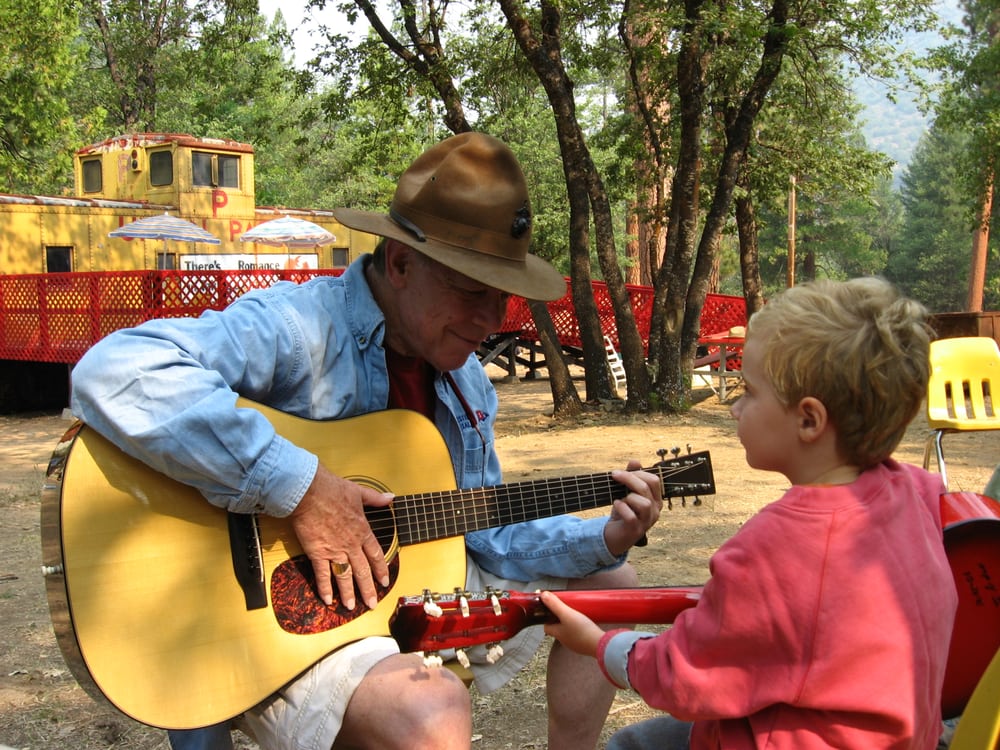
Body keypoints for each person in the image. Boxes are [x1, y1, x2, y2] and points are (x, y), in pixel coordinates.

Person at [70, 132, 663, 750]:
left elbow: (479, 529)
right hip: (279, 618)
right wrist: (300, 489)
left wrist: (603, 535)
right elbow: (116, 369)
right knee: (430, 710)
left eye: (502, 297)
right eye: (471, 291)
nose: (493, 321)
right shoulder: (299, 329)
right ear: (401, 264)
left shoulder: (465, 381)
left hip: (398, 591)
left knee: (612, 585)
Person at [540, 277, 959, 749]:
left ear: (808, 420)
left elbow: (682, 676)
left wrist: (596, 643)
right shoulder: (921, 494)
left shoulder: (776, 548)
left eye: (750, 391)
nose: (736, 408)